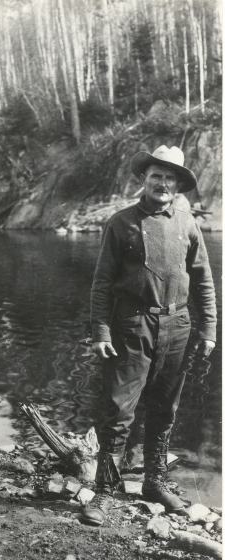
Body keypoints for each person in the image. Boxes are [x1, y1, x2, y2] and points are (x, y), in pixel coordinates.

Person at [90, 145, 216, 511]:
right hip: (132, 325)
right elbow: (101, 282)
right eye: (156, 176)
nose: (162, 183)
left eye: (169, 177)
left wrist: (208, 330)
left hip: (177, 325)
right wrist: (100, 331)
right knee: (118, 409)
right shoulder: (121, 222)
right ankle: (104, 492)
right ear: (144, 180)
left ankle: (155, 482)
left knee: (165, 407)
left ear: (178, 185)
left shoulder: (187, 223)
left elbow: (203, 279)